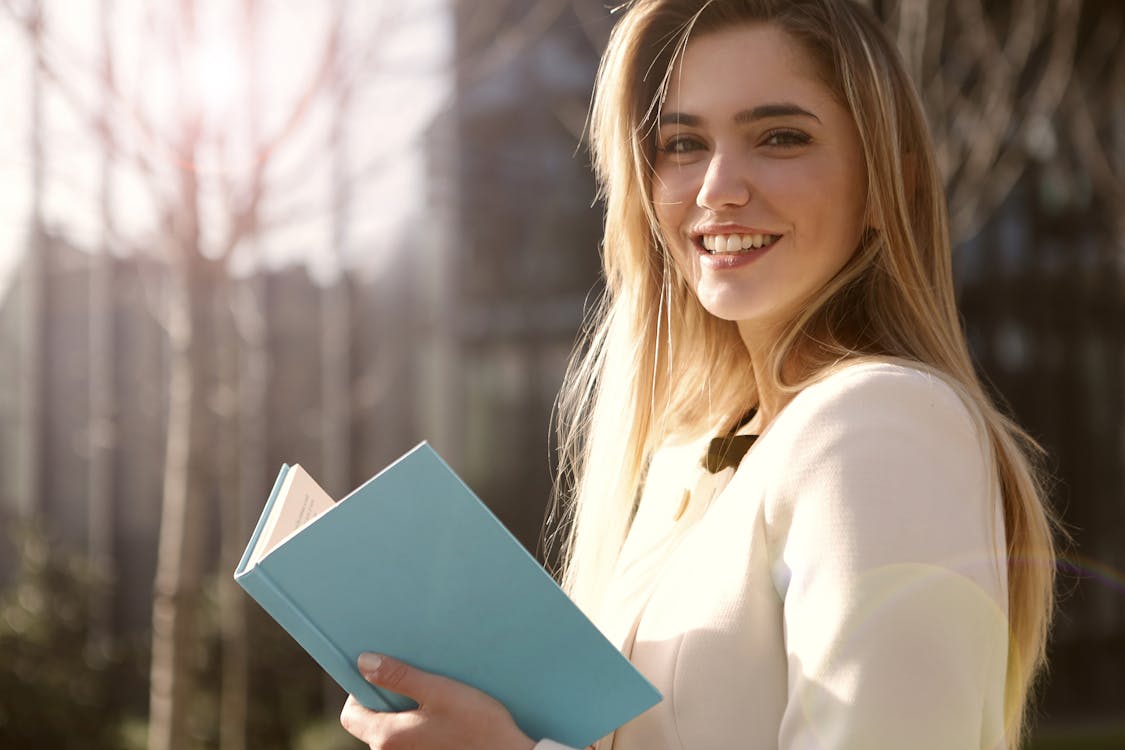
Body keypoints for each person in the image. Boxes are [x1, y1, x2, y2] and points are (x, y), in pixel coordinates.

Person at [339, 0, 1059, 748]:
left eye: (779, 137)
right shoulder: (694, 460)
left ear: (888, 187)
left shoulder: (875, 424)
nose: (717, 186)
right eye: (681, 143)